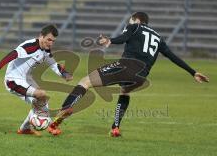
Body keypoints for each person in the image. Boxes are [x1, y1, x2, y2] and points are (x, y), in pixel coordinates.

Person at [48, 12, 209, 137]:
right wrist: (193, 72)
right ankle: (115, 127)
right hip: (141, 76)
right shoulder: (159, 38)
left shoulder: (135, 26)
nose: (129, 23)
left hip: (126, 66)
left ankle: (65, 109)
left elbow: (124, 37)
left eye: (130, 21)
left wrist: (110, 40)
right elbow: (173, 56)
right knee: (125, 92)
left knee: (85, 82)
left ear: (135, 19)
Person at [0, 24, 73, 136]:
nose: (51, 43)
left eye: (53, 41)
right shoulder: (31, 46)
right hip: (13, 80)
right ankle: (49, 125)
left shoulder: (46, 50)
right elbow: (14, 53)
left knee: (42, 101)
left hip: (26, 79)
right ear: (41, 36)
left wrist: (65, 74)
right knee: (41, 95)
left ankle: (25, 129)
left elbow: (53, 64)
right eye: (49, 39)